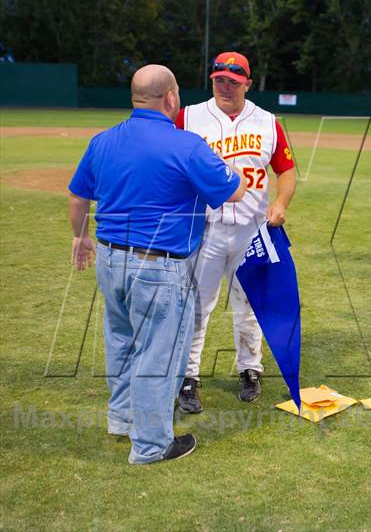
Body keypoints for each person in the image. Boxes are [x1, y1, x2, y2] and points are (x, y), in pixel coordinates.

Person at [68, 64, 246, 464]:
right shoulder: (185, 145)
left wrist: (80, 237)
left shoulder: (103, 140)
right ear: (170, 97)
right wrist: (231, 168)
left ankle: (122, 419)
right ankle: (150, 445)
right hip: (158, 266)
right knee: (159, 355)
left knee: (121, 342)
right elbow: (234, 190)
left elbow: (79, 197)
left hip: (110, 259)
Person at [176, 51, 296, 413]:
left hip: (252, 230)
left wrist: (282, 202)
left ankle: (250, 369)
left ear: (247, 82)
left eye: (233, 81)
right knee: (196, 307)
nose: (225, 87)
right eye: (219, 80)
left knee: (249, 307)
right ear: (211, 80)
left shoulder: (267, 121)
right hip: (204, 229)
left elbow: (286, 170)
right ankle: (188, 376)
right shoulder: (189, 116)